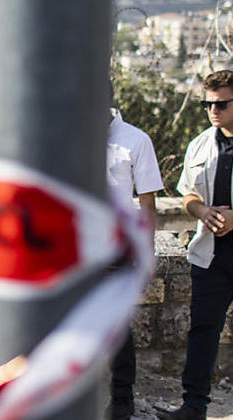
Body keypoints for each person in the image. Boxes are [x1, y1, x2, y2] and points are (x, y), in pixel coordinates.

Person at [160, 70, 233, 420]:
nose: (213, 110)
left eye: (220, 103)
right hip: (209, 255)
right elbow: (186, 195)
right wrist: (202, 210)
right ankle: (193, 407)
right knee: (202, 331)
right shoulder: (200, 144)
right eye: (207, 103)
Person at [106, 107, 163, 420]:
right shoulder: (69, 132)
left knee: (117, 327)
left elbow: (147, 205)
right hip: (75, 247)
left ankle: (121, 402)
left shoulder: (136, 140)